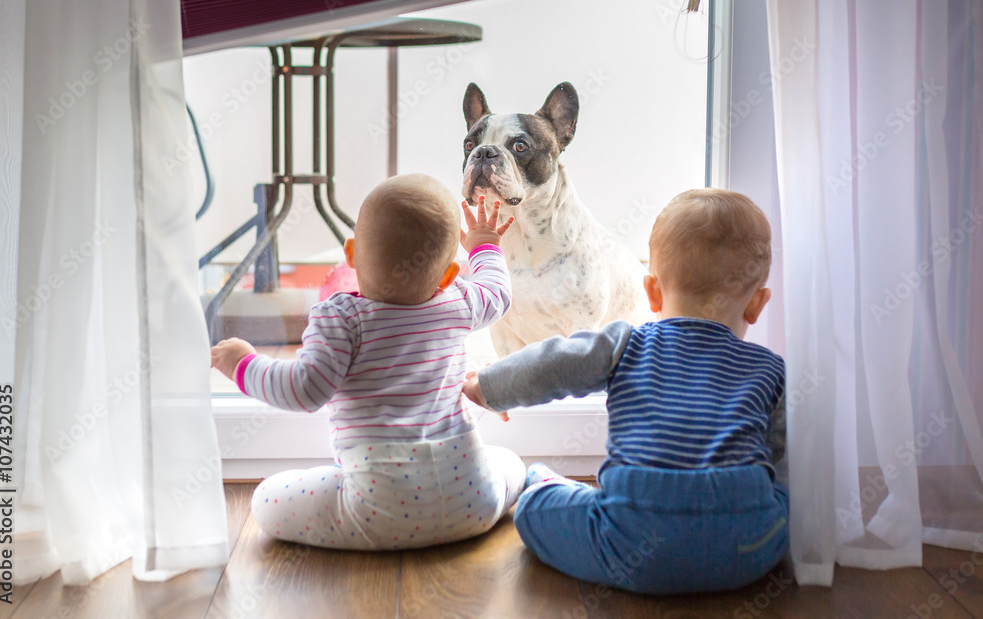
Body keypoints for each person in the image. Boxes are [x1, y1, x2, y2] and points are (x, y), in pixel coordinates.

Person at [462, 188, 788, 594]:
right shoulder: (769, 368)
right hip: (747, 549)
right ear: (757, 304)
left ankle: (544, 483)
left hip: (631, 541)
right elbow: (778, 452)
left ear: (651, 292)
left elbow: (552, 365)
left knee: (533, 503)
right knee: (780, 502)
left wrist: (486, 387)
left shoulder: (628, 344)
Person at [211, 173, 526, 550]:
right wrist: (484, 245)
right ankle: (532, 485)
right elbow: (497, 292)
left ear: (350, 253)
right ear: (447, 275)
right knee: (509, 461)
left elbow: (303, 389)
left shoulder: (342, 317)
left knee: (266, 501)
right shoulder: (457, 300)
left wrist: (243, 364)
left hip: (378, 514)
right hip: (474, 502)